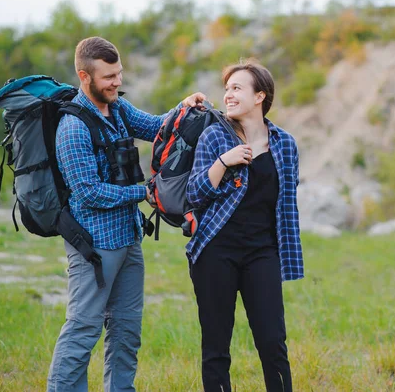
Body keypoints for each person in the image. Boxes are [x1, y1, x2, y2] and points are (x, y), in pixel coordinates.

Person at [47, 36, 205, 391]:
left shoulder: (116, 108)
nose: (117, 82)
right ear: (84, 76)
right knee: (83, 328)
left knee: (126, 330)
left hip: (129, 239)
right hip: (94, 247)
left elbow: (155, 128)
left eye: (119, 73)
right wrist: (145, 192)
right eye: (108, 77)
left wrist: (183, 108)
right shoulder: (72, 127)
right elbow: (87, 192)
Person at [186, 58, 304, 392]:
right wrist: (225, 162)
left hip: (261, 253)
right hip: (215, 251)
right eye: (226, 89)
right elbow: (194, 194)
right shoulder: (213, 137)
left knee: (272, 343)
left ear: (260, 97)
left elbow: (285, 205)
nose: (228, 95)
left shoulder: (285, 144)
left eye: (237, 88)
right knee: (216, 348)